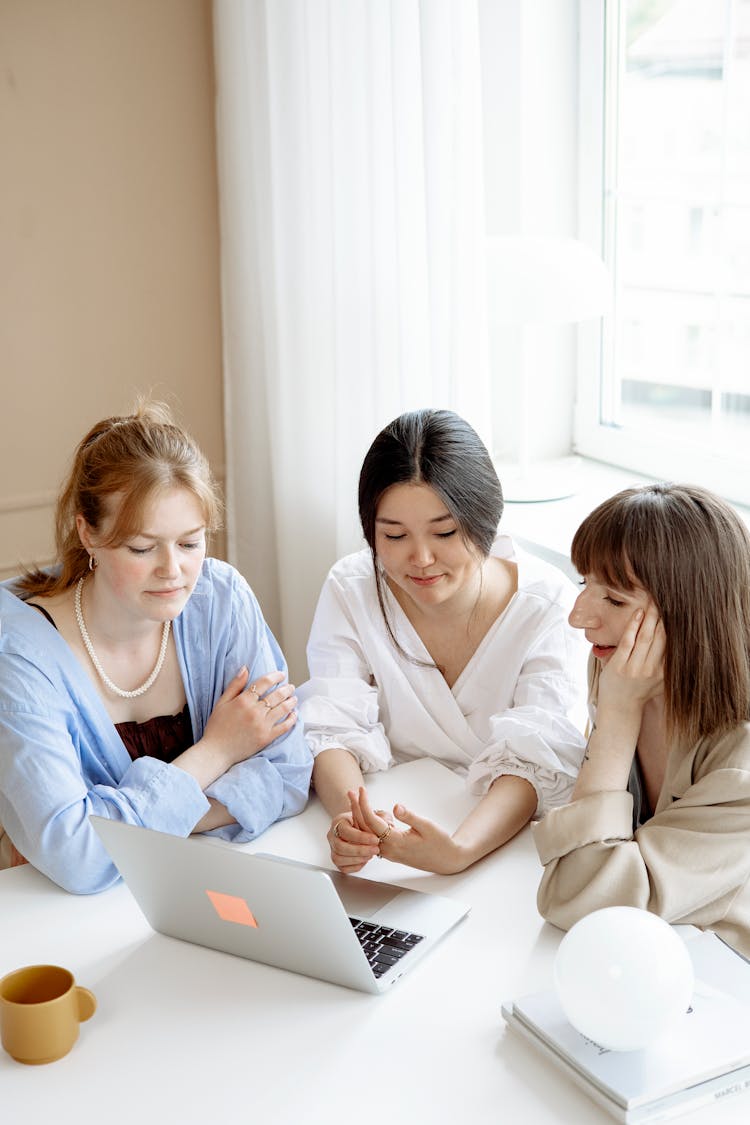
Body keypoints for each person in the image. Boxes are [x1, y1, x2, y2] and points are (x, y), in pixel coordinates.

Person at [0, 402, 312, 894]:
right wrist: (218, 751)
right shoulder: (19, 655)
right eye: (143, 549)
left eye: (190, 543)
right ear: (88, 532)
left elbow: (291, 771)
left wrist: (130, 827)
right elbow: (77, 856)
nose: (174, 571)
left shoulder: (220, 599)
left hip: (201, 889)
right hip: (58, 915)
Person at [298, 408, 587, 876]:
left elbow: (536, 761)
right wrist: (352, 821)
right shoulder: (352, 587)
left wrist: (459, 851)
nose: (422, 558)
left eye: (446, 532)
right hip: (383, 833)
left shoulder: (547, 607)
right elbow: (332, 723)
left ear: (485, 518)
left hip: (501, 844)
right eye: (394, 535)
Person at [534, 483, 750, 956]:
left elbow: (578, 897)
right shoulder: (620, 668)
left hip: (723, 976)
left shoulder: (741, 764)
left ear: (691, 616)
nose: (578, 617)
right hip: (646, 952)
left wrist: (616, 720)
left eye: (613, 600)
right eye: (583, 584)